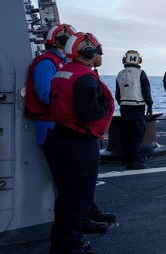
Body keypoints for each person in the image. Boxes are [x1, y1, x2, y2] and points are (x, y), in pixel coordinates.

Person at [24, 23, 114, 238]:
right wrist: (101, 105)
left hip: (63, 128)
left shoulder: (64, 66)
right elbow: (49, 97)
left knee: (76, 188)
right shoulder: (48, 63)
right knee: (72, 188)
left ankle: (85, 218)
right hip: (58, 128)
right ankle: (72, 241)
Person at [48, 32, 114, 254]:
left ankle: (60, 247)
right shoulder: (84, 78)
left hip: (61, 137)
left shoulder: (64, 72)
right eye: (98, 51)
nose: (101, 55)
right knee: (79, 199)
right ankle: (71, 253)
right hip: (79, 141)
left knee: (66, 197)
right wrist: (107, 104)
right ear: (86, 53)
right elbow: (89, 113)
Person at [115, 50, 154, 170]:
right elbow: (146, 91)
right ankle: (133, 161)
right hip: (137, 106)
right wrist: (150, 105)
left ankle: (126, 158)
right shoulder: (140, 73)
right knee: (137, 134)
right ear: (138, 60)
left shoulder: (120, 74)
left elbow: (117, 94)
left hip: (124, 106)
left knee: (126, 133)